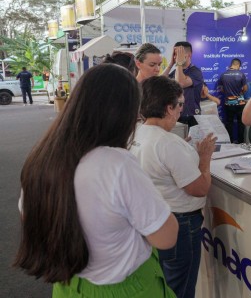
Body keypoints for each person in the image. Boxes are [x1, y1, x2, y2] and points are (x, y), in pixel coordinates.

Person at [14, 64, 179, 297]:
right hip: (126, 289)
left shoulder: (42, 158)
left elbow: (31, 217)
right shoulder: (116, 164)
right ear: (123, 114)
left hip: (68, 285)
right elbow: (166, 237)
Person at [130, 76, 217, 298]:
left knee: (165, 282)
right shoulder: (167, 143)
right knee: (181, 286)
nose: (180, 110)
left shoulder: (137, 133)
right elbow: (198, 188)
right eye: (180, 105)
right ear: (169, 108)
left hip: (153, 218)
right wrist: (204, 157)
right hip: (181, 223)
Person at [163, 41, 203, 127]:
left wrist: (178, 64)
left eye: (180, 54)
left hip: (190, 116)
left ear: (189, 55)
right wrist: (171, 64)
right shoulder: (175, 71)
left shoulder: (195, 71)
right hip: (175, 114)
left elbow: (180, 83)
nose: (177, 57)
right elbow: (159, 83)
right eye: (176, 54)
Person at [218, 58, 248, 143]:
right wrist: (240, 93)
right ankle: (241, 142)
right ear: (238, 65)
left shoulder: (223, 75)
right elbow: (245, 88)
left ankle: (229, 142)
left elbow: (221, 89)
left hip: (228, 102)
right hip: (240, 102)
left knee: (229, 123)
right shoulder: (241, 74)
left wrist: (228, 93)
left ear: (231, 64)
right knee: (241, 123)